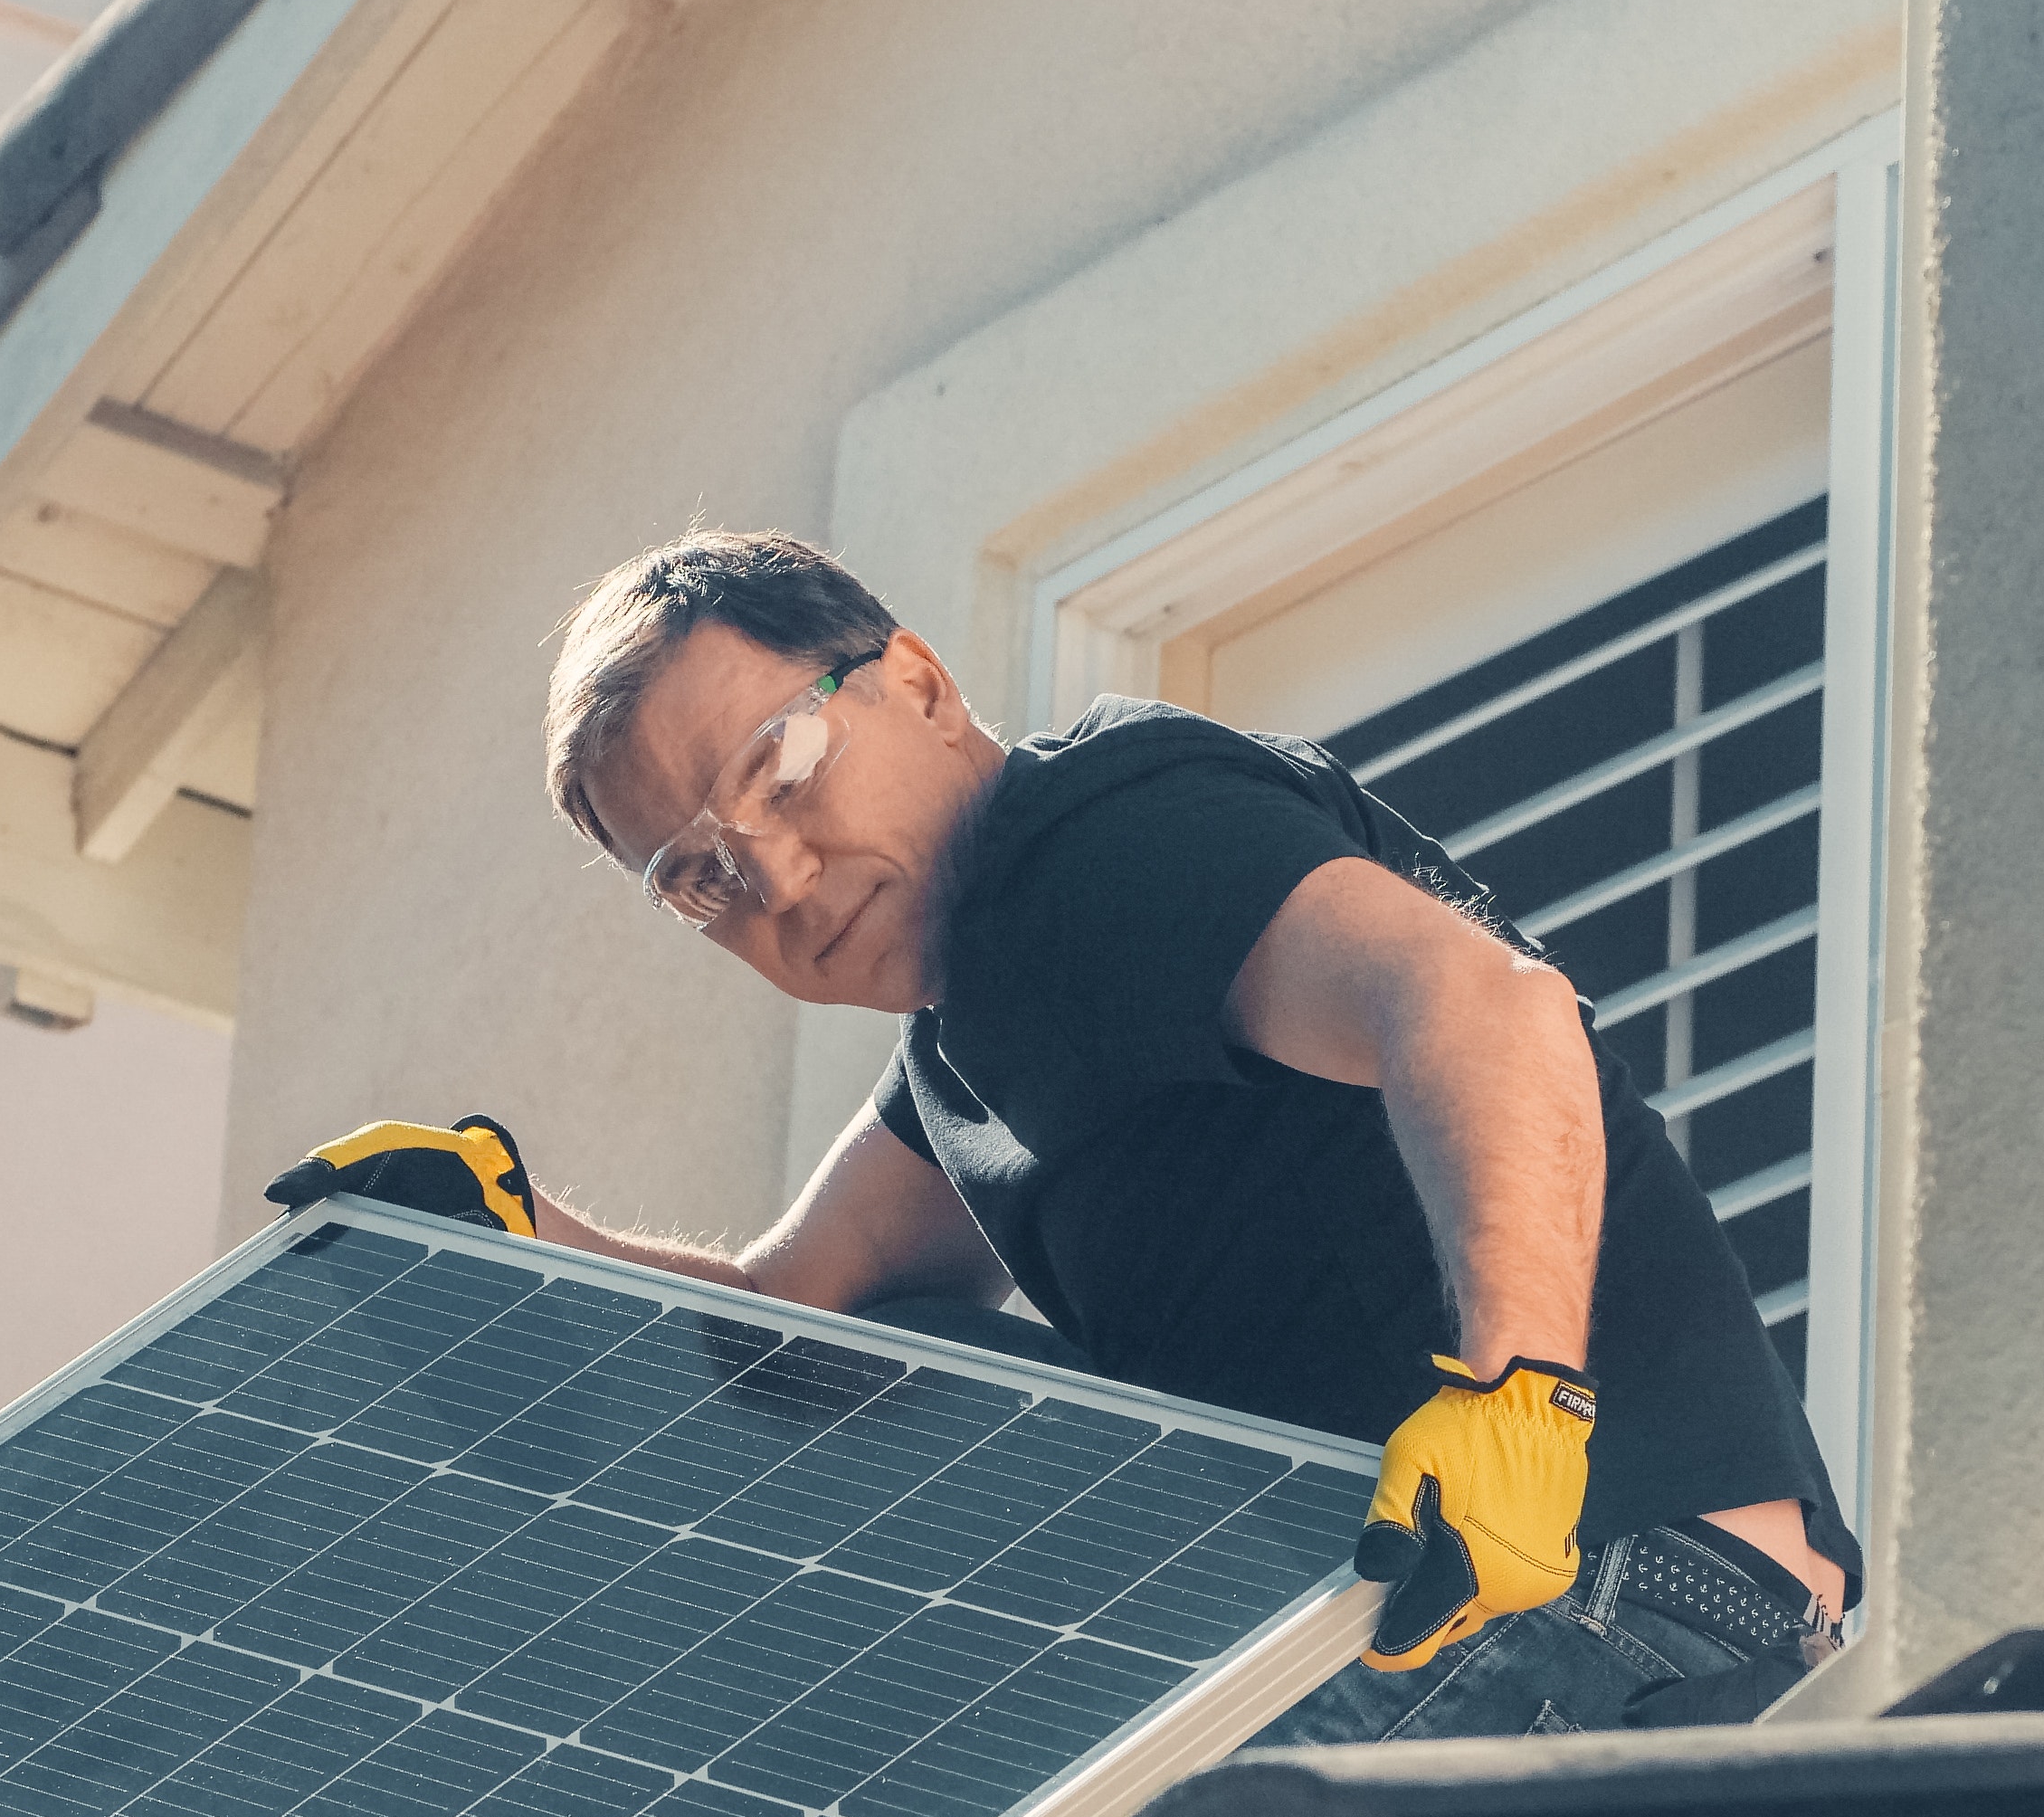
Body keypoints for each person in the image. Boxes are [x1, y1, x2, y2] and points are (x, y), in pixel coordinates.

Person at [267, 529, 1852, 1746]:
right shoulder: (972, 1047)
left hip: (1613, 1583)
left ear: (923, 684)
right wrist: (518, 1237)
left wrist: (1519, 1398)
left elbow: (1480, 1006)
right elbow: (793, 1322)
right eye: (697, 874)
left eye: (783, 769)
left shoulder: (1098, 839)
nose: (781, 877)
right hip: (1499, 1612)